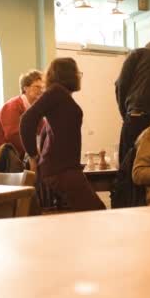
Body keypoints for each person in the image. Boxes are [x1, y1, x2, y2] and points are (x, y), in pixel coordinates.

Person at [20, 57, 105, 212]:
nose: (79, 76)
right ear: (68, 75)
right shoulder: (56, 92)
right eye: (77, 72)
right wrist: (33, 155)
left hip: (63, 168)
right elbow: (26, 120)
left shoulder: (59, 94)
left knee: (89, 213)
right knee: (97, 211)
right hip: (61, 170)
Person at [0, 70, 45, 167]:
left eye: (42, 87)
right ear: (25, 88)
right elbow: (12, 134)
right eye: (37, 87)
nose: (41, 90)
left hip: (12, 153)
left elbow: (43, 129)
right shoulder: (13, 106)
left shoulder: (36, 108)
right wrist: (34, 151)